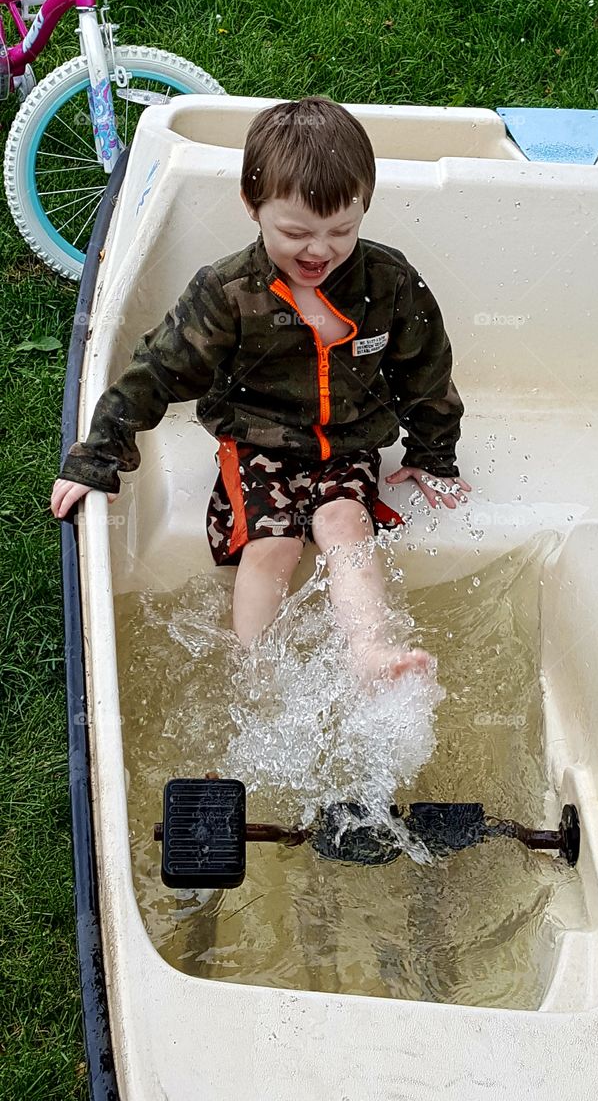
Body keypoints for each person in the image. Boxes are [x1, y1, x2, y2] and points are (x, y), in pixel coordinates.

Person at [50, 96, 471, 682]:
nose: (319, 250)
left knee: (347, 526)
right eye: (296, 232)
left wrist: (433, 453)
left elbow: (426, 368)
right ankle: (252, 670)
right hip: (256, 442)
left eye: (341, 230)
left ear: (364, 209)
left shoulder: (388, 282)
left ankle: (373, 654)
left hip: (347, 443)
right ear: (253, 206)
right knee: (273, 544)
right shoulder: (229, 293)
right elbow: (157, 370)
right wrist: (97, 456)